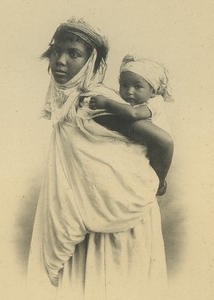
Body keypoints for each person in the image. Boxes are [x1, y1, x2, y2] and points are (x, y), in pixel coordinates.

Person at [27, 17, 173, 300]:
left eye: (74, 54)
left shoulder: (92, 102)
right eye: (56, 51)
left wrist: (158, 182)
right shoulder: (71, 100)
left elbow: (164, 142)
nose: (60, 60)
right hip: (90, 221)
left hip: (122, 224)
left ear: (92, 61)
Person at [88, 54, 173, 195]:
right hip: (144, 146)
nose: (129, 92)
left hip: (159, 152)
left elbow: (133, 114)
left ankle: (160, 184)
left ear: (152, 90)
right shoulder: (131, 101)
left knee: (153, 181)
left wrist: (106, 103)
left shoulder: (155, 102)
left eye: (137, 86)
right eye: (124, 85)